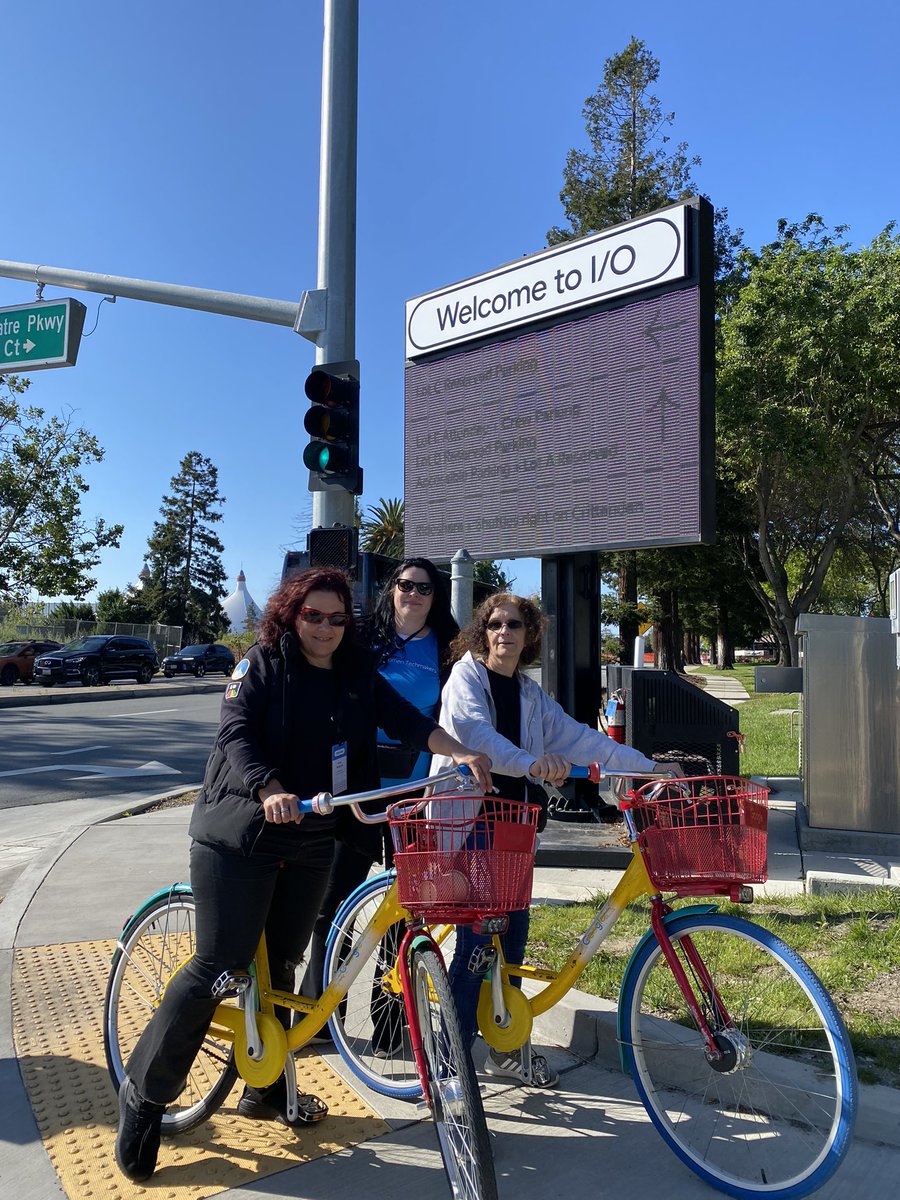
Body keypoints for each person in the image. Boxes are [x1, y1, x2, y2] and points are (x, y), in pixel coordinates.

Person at [114, 567, 491, 1184]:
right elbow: (234, 734)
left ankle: (264, 1090)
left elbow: (406, 720)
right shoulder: (261, 663)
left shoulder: (354, 674)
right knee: (222, 964)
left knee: (284, 962)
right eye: (312, 615)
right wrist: (270, 787)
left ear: (349, 623)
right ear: (291, 615)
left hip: (316, 834)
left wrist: (461, 752)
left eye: (336, 618)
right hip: (243, 832)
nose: (323, 627)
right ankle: (147, 1096)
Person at [429, 592, 680, 1089]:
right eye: (495, 624)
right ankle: (448, 1059)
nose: (505, 632)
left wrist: (649, 766)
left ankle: (506, 1051)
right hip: (471, 820)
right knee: (479, 941)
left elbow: (581, 739)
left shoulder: (528, 694)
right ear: (483, 631)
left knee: (515, 938)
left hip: (516, 823)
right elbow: (475, 735)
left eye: (515, 625)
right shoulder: (465, 677)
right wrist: (530, 763)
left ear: (530, 634)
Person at [299, 557, 459, 1051]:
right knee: (336, 903)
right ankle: (321, 1015)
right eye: (406, 585)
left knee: (405, 906)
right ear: (392, 590)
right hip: (358, 787)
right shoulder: (361, 636)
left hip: (413, 793)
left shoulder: (449, 648)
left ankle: (393, 1027)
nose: (413, 594)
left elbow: (456, 712)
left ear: (438, 597)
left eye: (425, 589)